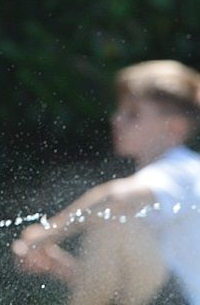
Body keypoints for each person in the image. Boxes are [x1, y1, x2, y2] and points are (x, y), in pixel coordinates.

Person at [12, 60, 200, 305]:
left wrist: (46, 233)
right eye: (120, 111)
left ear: (174, 127)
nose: (117, 119)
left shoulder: (183, 169)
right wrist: (60, 267)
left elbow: (116, 197)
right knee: (114, 220)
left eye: (133, 114)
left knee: (114, 218)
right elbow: (115, 292)